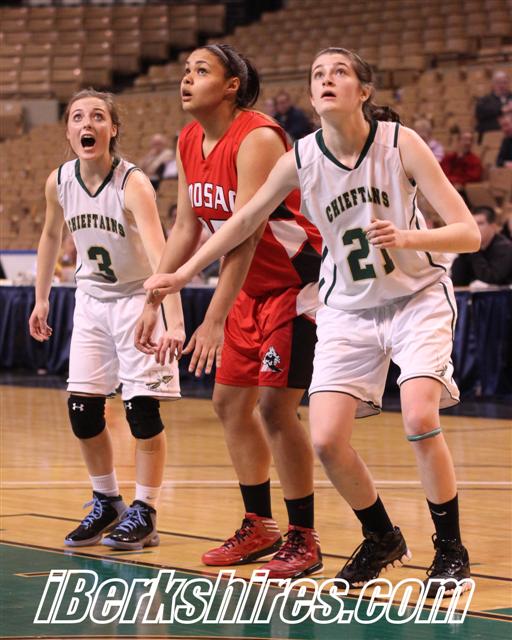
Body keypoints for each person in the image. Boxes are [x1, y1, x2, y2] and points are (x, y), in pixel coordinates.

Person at [144, 47, 482, 597]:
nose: (327, 79)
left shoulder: (400, 143)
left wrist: (408, 237)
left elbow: (469, 234)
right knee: (325, 439)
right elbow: (242, 222)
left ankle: (450, 551)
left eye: (339, 72)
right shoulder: (301, 156)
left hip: (415, 297)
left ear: (363, 91)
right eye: (317, 74)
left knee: (419, 416)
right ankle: (380, 537)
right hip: (346, 306)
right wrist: (181, 274)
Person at [135, 44, 324, 579]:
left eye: (201, 71)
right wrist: (154, 298)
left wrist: (214, 318)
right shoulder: (188, 139)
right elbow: (186, 227)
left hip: (294, 284)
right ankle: (258, 525)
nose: (187, 79)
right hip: (248, 289)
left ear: (232, 84)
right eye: (185, 70)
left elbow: (247, 233)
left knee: (275, 409)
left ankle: (303, 536)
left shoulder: (258, 136)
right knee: (228, 404)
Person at [29, 89, 185, 551]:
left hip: (139, 299)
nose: (87, 124)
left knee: (141, 411)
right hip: (92, 300)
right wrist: (41, 298)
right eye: (78, 117)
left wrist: (173, 319)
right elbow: (50, 235)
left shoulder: (133, 183)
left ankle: (146, 510)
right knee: (82, 411)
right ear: (68, 131)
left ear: (113, 129)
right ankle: (107, 501)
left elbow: (161, 254)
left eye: (98, 116)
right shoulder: (59, 181)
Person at [451, 206, 512, 286]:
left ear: (493, 226)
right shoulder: (469, 248)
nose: (475, 228)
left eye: (480, 224)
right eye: (473, 224)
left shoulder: (505, 247)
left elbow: (492, 279)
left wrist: (474, 251)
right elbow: (457, 282)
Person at [440, 131, 483, 205]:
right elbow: (441, 173)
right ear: (458, 141)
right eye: (465, 139)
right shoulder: (448, 158)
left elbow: (473, 177)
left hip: (463, 190)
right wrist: (451, 182)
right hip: (447, 185)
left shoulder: (475, 160)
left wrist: (457, 183)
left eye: (470, 140)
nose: (468, 143)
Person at [475, 70, 512, 143]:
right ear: (493, 84)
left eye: (504, 82)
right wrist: (501, 110)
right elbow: (480, 113)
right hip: (490, 135)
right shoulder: (484, 100)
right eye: (498, 82)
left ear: (508, 84)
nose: (502, 85)